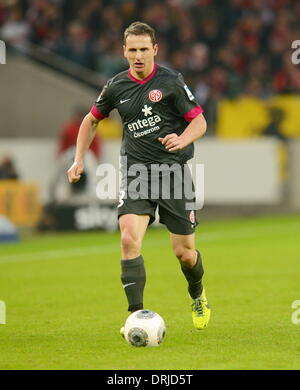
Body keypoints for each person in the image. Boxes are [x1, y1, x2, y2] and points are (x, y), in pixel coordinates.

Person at [67, 21, 210, 332]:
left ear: (155, 50)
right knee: (129, 240)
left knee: (185, 254)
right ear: (124, 51)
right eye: (132, 50)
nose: (138, 55)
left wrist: (182, 140)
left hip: (173, 173)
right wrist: (78, 159)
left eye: (144, 49)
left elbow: (199, 122)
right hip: (136, 173)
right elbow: (91, 121)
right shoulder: (116, 86)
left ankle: (197, 294)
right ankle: (136, 316)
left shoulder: (171, 81)